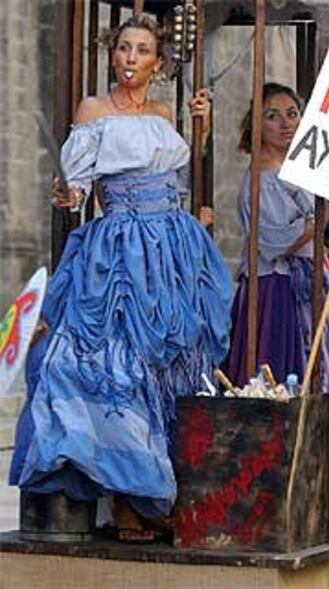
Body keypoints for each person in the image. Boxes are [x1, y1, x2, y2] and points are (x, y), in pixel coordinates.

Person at [10, 13, 232, 541]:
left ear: (157, 63)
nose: (130, 58)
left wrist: (201, 127)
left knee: (174, 365)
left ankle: (161, 492)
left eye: (141, 51)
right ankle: (132, 495)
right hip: (119, 250)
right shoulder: (94, 110)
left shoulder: (161, 111)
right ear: (114, 54)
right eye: (123, 48)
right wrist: (68, 195)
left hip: (173, 249)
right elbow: (78, 186)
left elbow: (180, 173)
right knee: (114, 364)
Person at [227, 82, 329, 393]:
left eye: (292, 113)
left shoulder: (297, 169)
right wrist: (322, 216)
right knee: (281, 370)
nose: (286, 123)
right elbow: (275, 241)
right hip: (278, 288)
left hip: (305, 279)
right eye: (273, 115)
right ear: (256, 124)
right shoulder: (263, 177)